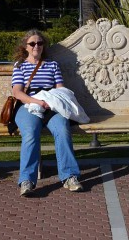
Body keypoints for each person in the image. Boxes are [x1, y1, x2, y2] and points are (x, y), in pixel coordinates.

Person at [12, 29, 83, 196]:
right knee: (30, 133)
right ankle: (26, 180)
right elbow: (17, 93)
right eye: (32, 43)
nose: (36, 46)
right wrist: (38, 102)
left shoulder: (52, 65)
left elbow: (60, 87)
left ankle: (70, 176)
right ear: (26, 47)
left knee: (63, 130)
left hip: (51, 105)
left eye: (40, 43)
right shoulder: (20, 66)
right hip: (29, 105)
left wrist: (55, 102)